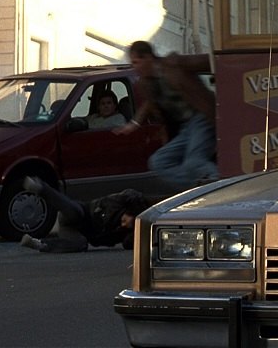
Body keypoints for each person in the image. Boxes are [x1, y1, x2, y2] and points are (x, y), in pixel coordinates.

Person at [114, 41, 218, 190]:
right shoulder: (147, 83)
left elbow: (208, 62)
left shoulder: (173, 65)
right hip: (186, 125)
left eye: (137, 62)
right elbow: (149, 103)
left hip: (202, 117)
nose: (135, 67)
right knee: (159, 162)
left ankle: (220, 184)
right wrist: (134, 123)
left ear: (149, 57)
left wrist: (228, 63)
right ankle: (196, 187)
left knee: (194, 162)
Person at [18, 176, 148, 253]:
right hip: (78, 213)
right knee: (76, 213)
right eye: (125, 220)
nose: (123, 224)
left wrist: (137, 231)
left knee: (80, 244)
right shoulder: (119, 202)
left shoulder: (124, 233)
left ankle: (40, 244)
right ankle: (41, 188)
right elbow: (133, 195)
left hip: (75, 231)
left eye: (127, 226)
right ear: (129, 212)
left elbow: (128, 245)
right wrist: (139, 211)